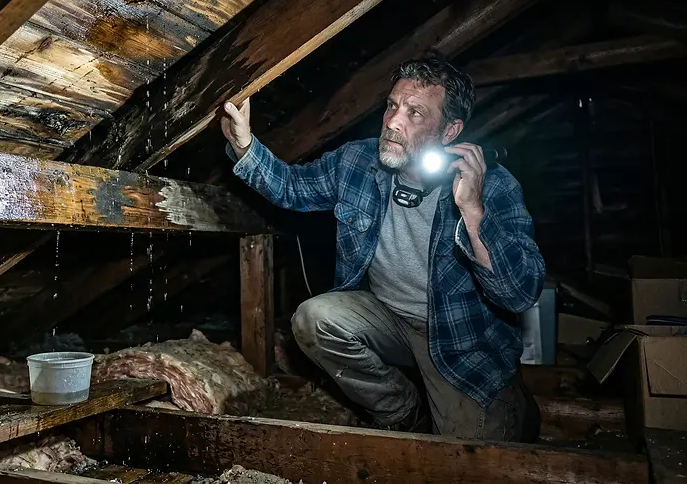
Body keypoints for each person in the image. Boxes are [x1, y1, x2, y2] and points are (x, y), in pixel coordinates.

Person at [218, 54, 545, 441]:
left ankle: (512, 406)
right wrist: (244, 146)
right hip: (386, 320)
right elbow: (292, 187)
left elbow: (520, 293)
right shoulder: (357, 161)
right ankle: (404, 412)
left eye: (416, 113)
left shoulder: (492, 186)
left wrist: (472, 210)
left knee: (470, 460)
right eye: (392, 105)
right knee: (315, 317)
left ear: (449, 130)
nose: (392, 122)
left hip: (459, 342)